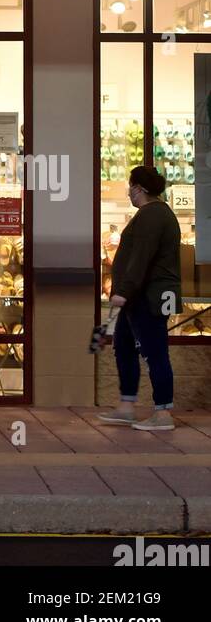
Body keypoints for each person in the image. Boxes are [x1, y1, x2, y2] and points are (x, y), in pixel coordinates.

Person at [98, 166, 182, 431]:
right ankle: (126, 406)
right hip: (137, 296)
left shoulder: (153, 215)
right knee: (123, 345)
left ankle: (163, 412)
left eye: (131, 187)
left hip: (148, 296)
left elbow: (141, 256)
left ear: (140, 188)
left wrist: (123, 290)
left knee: (154, 351)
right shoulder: (151, 214)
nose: (129, 192)